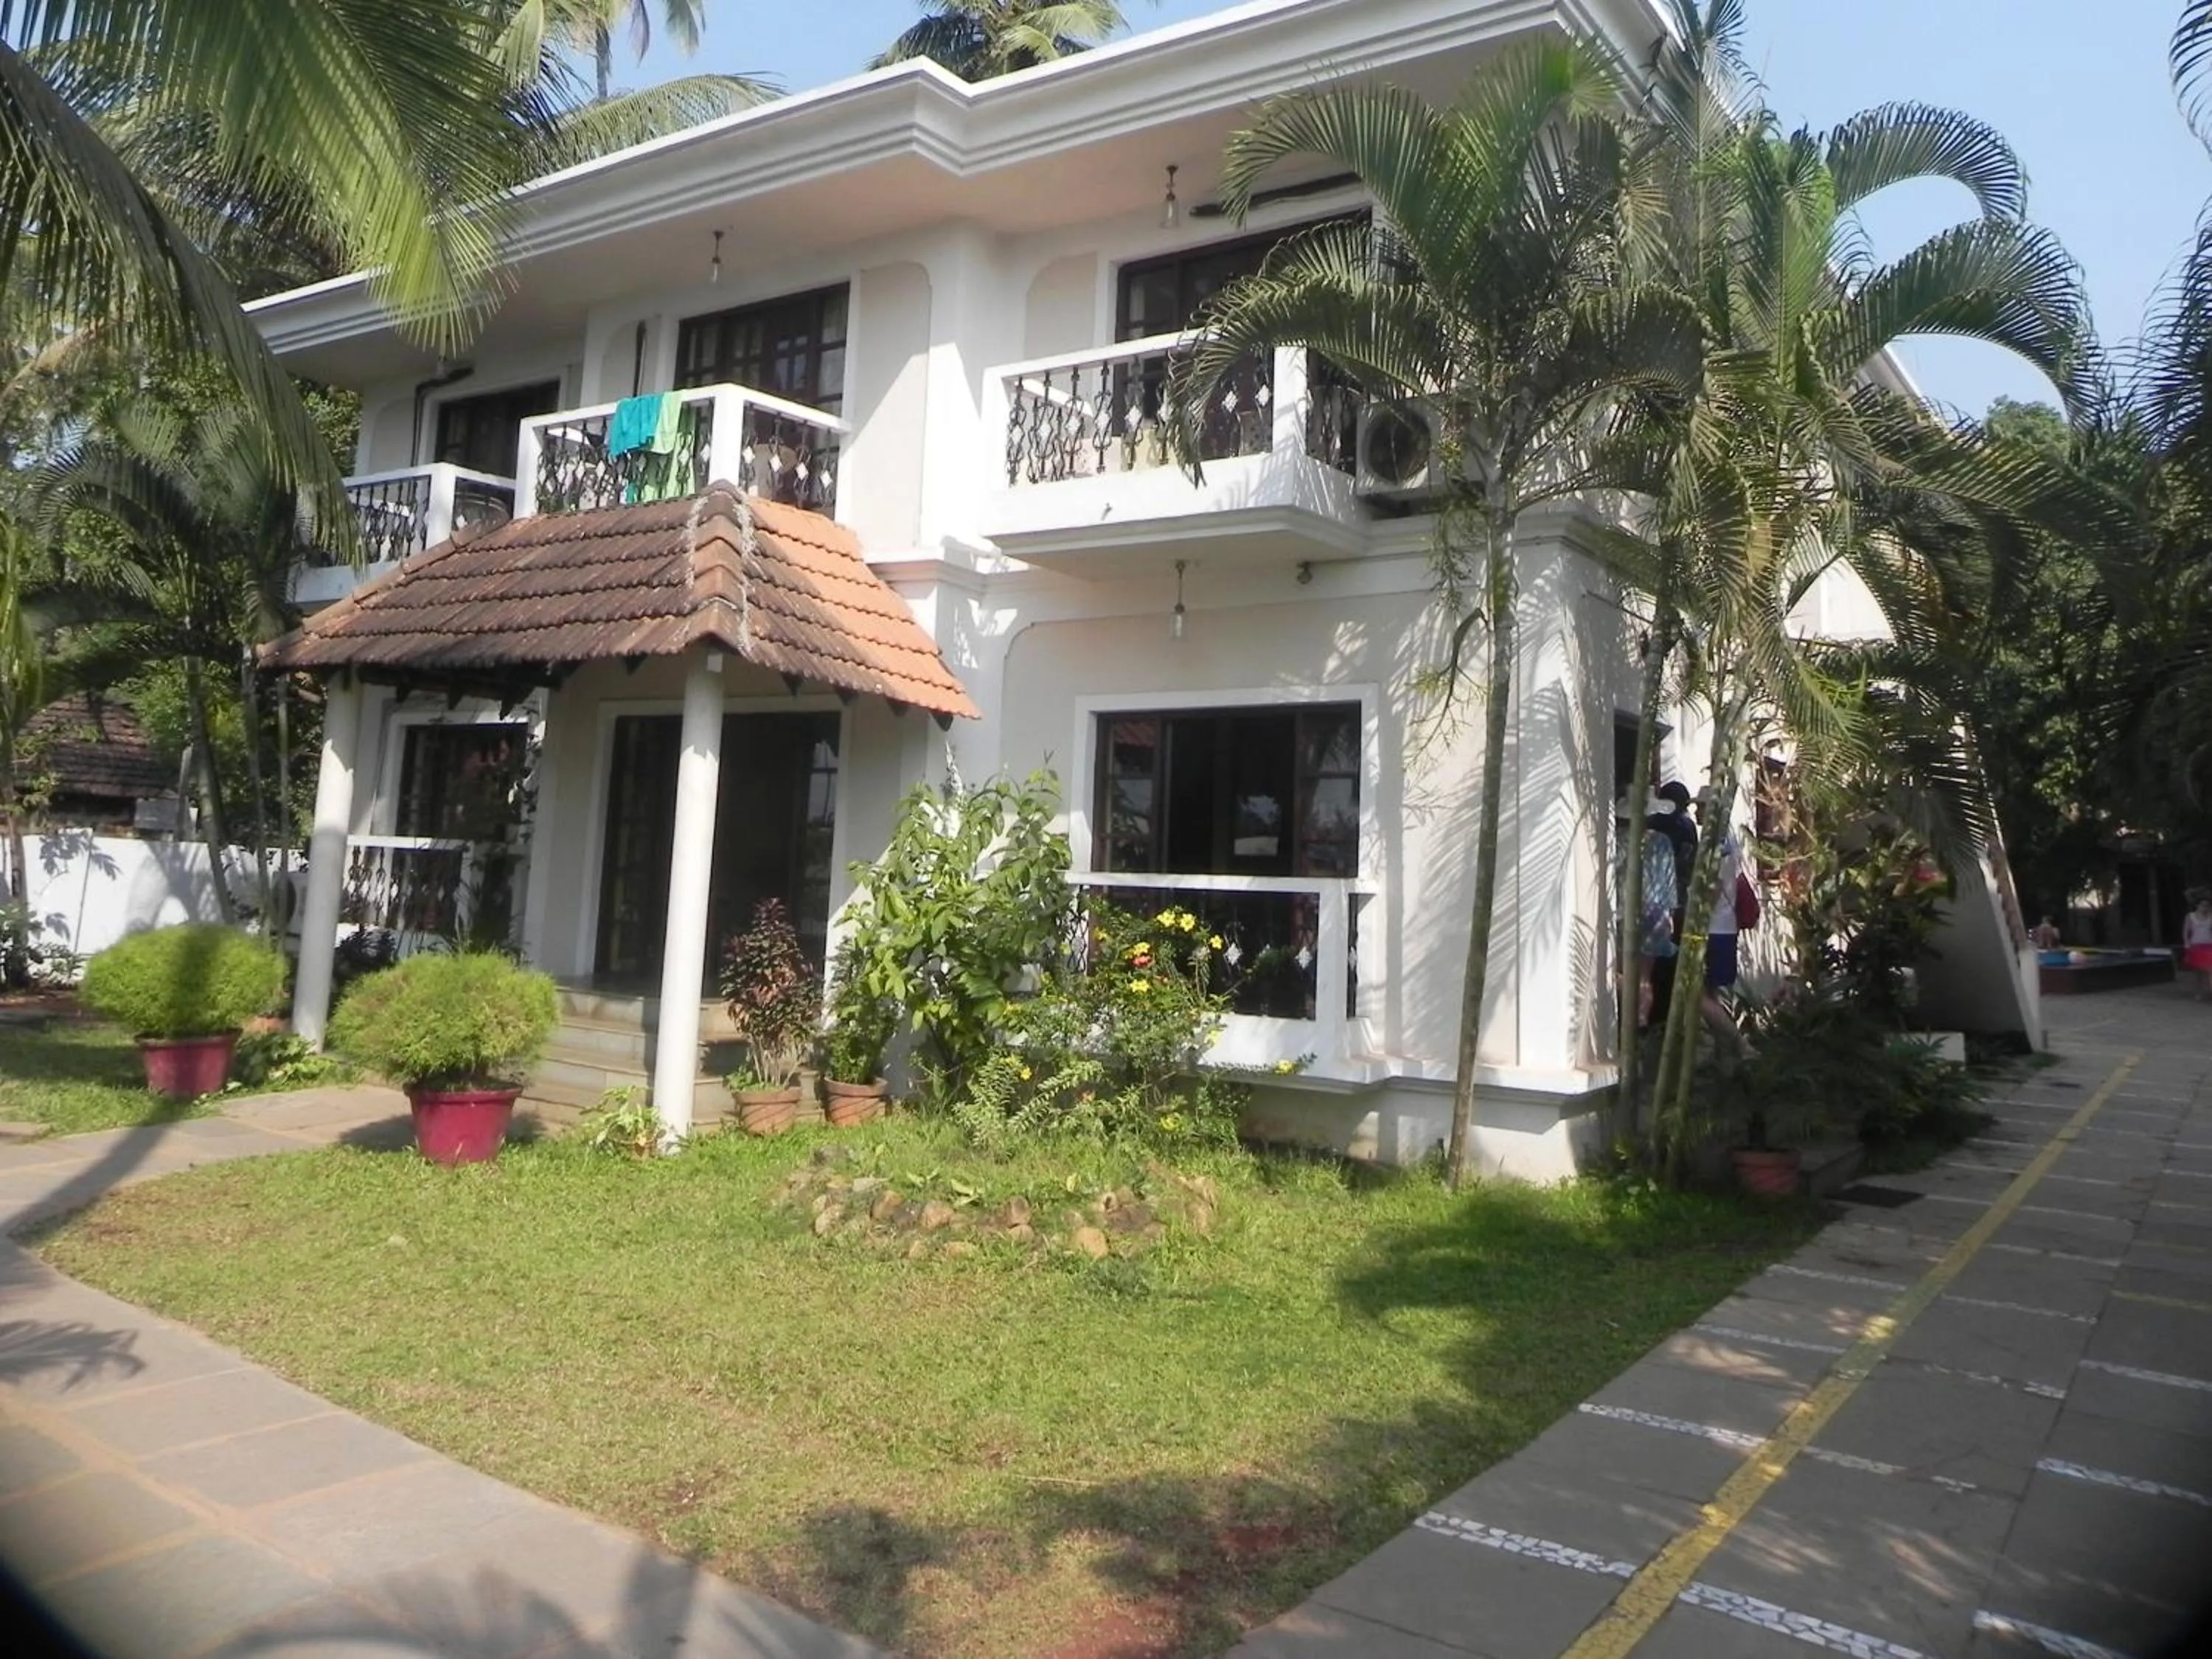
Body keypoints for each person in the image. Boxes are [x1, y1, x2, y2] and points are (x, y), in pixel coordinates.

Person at [1646, 782, 1698, 1027]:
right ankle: (1666, 1018)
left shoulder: (1652, 823)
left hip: (1651, 903)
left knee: (1653, 966)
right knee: (1669, 962)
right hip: (1676, 902)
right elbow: (1690, 864)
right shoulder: (1685, 827)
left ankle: (1655, 1017)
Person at [2185, 894, 2212, 1002]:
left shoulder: (2211, 916)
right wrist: (2186, 943)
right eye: (2203, 905)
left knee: (2210, 969)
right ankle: (2199, 992)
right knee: (2199, 972)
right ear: (2197, 905)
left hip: (2209, 946)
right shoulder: (2190, 916)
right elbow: (2186, 931)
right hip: (2196, 946)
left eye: (2207, 905)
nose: (2205, 908)